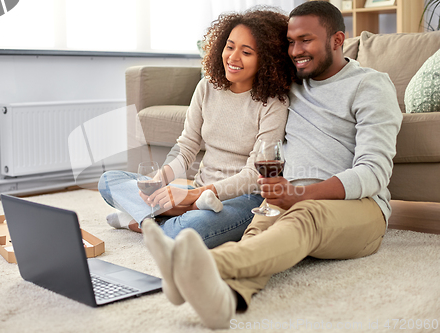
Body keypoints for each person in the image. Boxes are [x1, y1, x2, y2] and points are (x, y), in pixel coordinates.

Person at [142, 0, 403, 329]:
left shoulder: (370, 85)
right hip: (286, 197)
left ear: (337, 40)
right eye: (290, 42)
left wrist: (300, 195)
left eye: (305, 40)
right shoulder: (290, 85)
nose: (295, 51)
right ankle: (225, 302)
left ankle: (199, 264)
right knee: (257, 236)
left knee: (305, 216)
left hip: (357, 206)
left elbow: (374, 171)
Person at [98, 6, 296, 248]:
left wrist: (190, 196)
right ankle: (172, 212)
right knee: (109, 181)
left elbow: (253, 176)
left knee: (192, 230)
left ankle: (144, 220)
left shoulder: (274, 103)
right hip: (201, 191)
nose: (233, 58)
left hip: (243, 198)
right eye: (230, 46)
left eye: (246, 52)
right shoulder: (207, 87)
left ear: (267, 59)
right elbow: (187, 146)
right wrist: (162, 180)